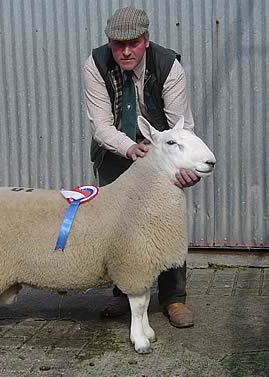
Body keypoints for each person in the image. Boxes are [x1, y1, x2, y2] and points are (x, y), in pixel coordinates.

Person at [83, 6, 200, 328]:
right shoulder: (95, 64)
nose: (124, 51)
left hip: (162, 150)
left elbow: (181, 125)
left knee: (166, 221)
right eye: (117, 44)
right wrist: (129, 147)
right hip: (116, 150)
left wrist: (180, 163)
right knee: (118, 223)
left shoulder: (168, 65)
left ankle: (174, 298)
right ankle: (123, 293)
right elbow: (102, 125)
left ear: (145, 40)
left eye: (132, 43)